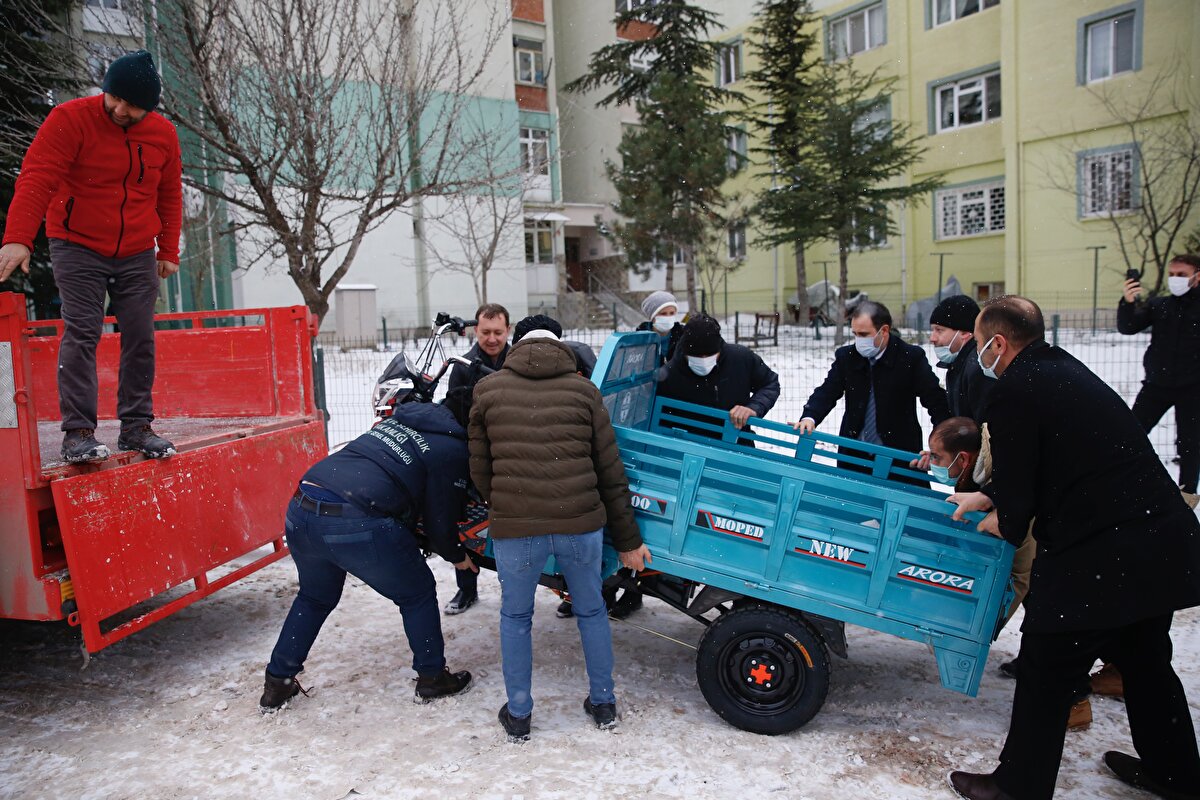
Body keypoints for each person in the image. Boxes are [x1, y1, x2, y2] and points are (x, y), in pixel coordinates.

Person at [946, 296, 1200, 800]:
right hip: (1156, 539)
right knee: (1145, 664)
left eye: (979, 342)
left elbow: (1021, 488)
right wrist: (991, 496)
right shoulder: (1059, 368)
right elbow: (1055, 457)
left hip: (1102, 552)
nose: (978, 353)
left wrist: (1004, 518)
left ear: (999, 343)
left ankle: (1017, 787)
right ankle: (1177, 776)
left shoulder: (1014, 390)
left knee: (1045, 668)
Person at [468, 315, 652, 741]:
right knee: (591, 610)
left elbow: (479, 466)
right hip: (580, 521)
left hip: (516, 527)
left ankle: (519, 713)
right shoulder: (584, 391)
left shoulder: (488, 389)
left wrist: (505, 501)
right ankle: (603, 703)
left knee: (516, 616)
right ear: (559, 343)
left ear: (516, 342)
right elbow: (610, 470)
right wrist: (628, 539)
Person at [0, 51, 182, 463]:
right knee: (83, 330)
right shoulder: (70, 119)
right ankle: (78, 433)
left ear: (149, 107)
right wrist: (19, 238)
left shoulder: (163, 134)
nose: (119, 109)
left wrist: (168, 248)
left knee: (140, 335)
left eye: (131, 105)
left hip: (137, 248)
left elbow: (169, 192)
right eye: (114, 97)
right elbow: (38, 177)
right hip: (77, 242)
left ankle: (137, 428)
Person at [259, 394, 478, 712]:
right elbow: (440, 519)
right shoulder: (451, 448)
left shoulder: (398, 421)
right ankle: (432, 677)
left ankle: (277, 682)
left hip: (303, 505)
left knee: (315, 597)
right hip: (356, 517)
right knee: (416, 592)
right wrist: (456, 555)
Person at [796, 302, 949, 479]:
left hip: (899, 454)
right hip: (854, 453)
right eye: (854, 334)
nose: (858, 341)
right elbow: (828, 390)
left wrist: (941, 446)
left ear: (884, 331)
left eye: (863, 334)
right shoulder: (847, 357)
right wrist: (810, 417)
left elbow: (935, 401)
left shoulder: (910, 358)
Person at [443, 303, 512, 615]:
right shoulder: (463, 366)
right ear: (476, 331)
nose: (492, 338)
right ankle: (467, 587)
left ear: (508, 330)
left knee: (510, 526)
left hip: (512, 457)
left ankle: (512, 590)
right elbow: (455, 412)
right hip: (475, 457)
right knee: (466, 523)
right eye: (486, 332)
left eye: (498, 332)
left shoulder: (519, 361)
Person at [1118, 254, 1200, 494]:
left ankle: (1186, 495)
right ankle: (1121, 485)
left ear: (1197, 277)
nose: (1175, 279)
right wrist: (1127, 303)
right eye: (1172, 274)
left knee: (1189, 444)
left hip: (1193, 388)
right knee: (1130, 434)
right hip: (1157, 385)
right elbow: (1128, 327)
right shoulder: (1160, 305)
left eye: (1182, 275)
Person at [657, 313, 780, 440]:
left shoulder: (740, 359)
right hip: (688, 445)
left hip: (735, 441)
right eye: (696, 356)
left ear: (719, 349)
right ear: (685, 353)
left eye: (710, 355)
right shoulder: (669, 373)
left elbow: (769, 384)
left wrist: (753, 407)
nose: (703, 360)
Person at [928, 295, 991, 422]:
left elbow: (980, 425)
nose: (932, 338)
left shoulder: (977, 368)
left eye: (939, 330)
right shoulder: (959, 363)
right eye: (932, 330)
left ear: (965, 333)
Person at [637, 290, 684, 362]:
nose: (668, 317)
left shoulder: (683, 335)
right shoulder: (640, 338)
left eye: (672, 313)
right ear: (652, 317)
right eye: (663, 314)